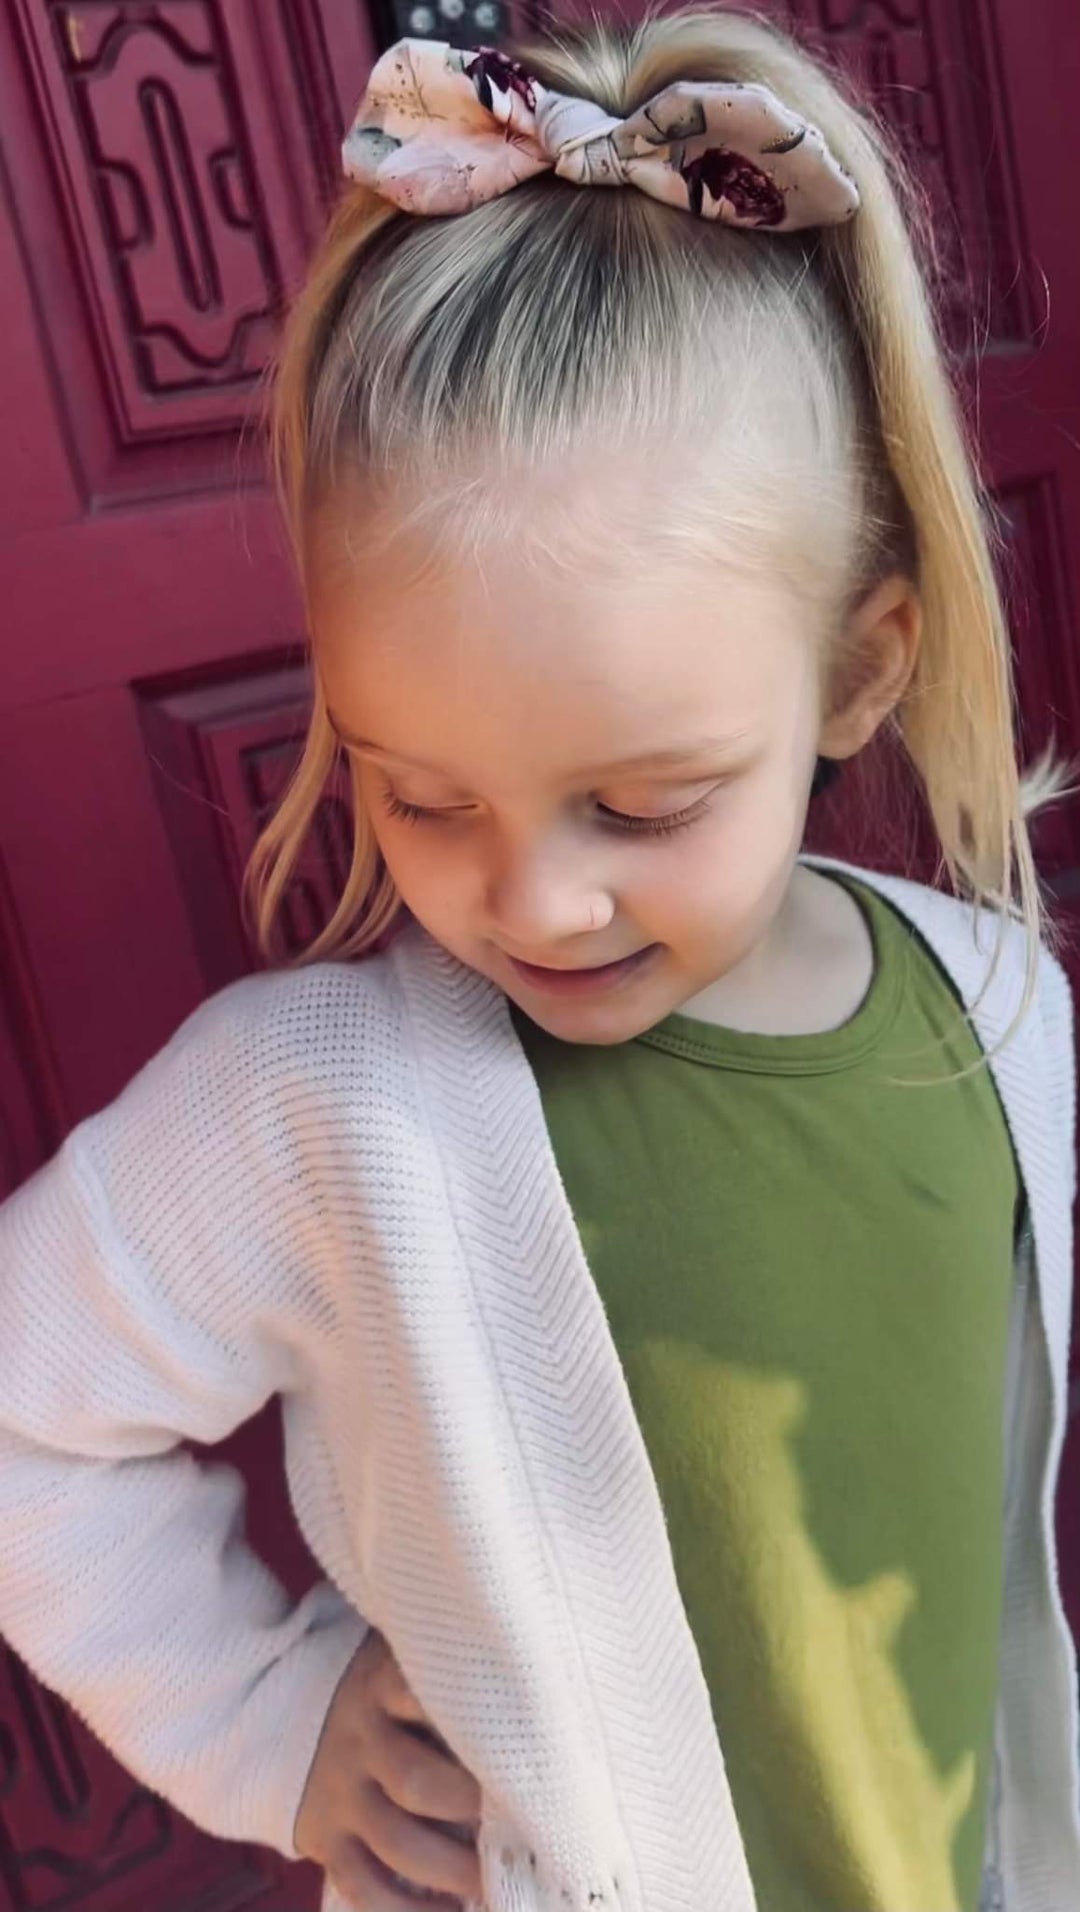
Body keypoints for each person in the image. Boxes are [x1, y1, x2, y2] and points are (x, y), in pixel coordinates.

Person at [0, 7, 1077, 1911]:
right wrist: (267, 1717)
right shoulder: (319, 1107)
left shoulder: (998, 1010)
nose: (536, 903)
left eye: (645, 805)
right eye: (422, 798)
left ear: (860, 669)